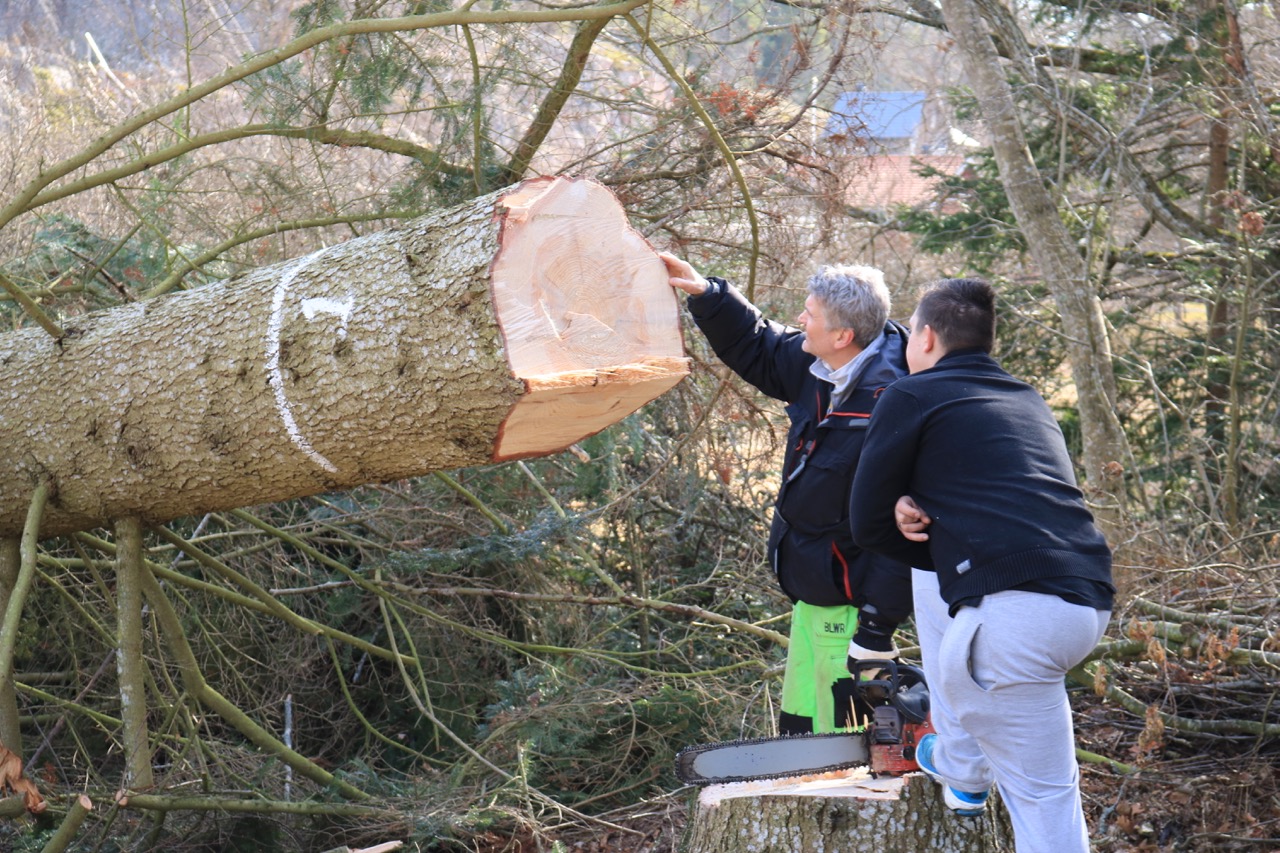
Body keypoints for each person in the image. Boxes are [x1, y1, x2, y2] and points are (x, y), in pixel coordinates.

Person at [848, 277, 1114, 853]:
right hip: (1084, 602)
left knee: (1042, 804)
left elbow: (864, 524)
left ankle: (953, 760)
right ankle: (964, 775)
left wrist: (901, 521)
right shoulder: (1025, 399)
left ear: (924, 337)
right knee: (950, 599)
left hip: (1012, 620)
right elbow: (1001, 498)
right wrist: (924, 519)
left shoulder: (910, 394)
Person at [661, 251, 913, 735]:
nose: (800, 319)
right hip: (810, 593)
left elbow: (902, 533)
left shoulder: (895, 407)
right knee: (803, 730)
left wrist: (877, 627)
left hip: (853, 608)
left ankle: (863, 805)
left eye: (810, 314)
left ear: (842, 335)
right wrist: (709, 294)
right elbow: (759, 344)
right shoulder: (817, 364)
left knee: (855, 740)